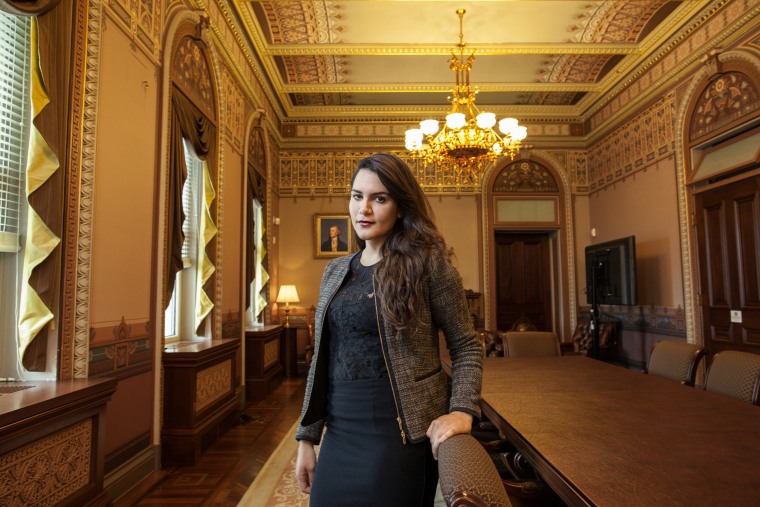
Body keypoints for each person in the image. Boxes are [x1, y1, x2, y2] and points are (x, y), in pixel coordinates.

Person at [295, 153, 483, 506]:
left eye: (379, 198)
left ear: (400, 206)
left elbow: (467, 345)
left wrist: (462, 410)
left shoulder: (429, 264)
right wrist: (307, 438)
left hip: (398, 436)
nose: (363, 209)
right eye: (357, 196)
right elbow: (322, 358)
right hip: (339, 429)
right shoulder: (335, 271)